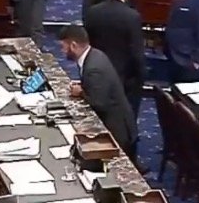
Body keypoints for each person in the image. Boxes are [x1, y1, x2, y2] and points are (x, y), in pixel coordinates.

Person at [59, 25, 139, 166]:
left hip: (116, 130)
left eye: (63, 47)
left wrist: (81, 92)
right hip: (114, 118)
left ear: (73, 45)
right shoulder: (94, 54)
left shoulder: (94, 68)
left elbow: (99, 102)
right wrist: (84, 86)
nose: (62, 51)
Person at [84, 0, 146, 122]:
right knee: (125, 118)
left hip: (98, 71)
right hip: (125, 77)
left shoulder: (93, 12)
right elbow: (136, 52)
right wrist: (141, 75)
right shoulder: (132, 16)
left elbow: (89, 42)